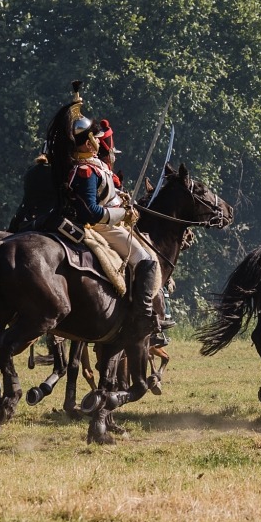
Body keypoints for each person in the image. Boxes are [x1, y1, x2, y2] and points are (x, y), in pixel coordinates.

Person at [46, 92, 164, 343]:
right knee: (146, 261)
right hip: (100, 228)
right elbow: (91, 211)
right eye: (94, 137)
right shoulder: (86, 170)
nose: (98, 141)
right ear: (88, 143)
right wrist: (123, 213)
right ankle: (143, 317)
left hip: (104, 222)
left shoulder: (91, 165)